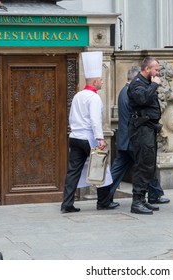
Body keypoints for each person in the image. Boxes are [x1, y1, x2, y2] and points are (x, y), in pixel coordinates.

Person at [97, 66, 170, 209]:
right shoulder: (131, 92)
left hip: (127, 137)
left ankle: (105, 198)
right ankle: (151, 195)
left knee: (131, 168)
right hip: (132, 137)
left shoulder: (124, 91)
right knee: (144, 166)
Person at [61, 51, 111, 213]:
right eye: (101, 79)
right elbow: (95, 120)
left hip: (75, 136)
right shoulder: (94, 98)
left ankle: (67, 203)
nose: (102, 82)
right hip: (88, 137)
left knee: (73, 172)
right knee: (100, 166)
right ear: (95, 81)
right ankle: (103, 202)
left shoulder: (78, 95)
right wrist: (100, 138)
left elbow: (71, 116)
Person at [127, 57, 163, 215]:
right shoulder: (137, 84)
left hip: (149, 128)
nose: (158, 73)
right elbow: (142, 99)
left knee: (149, 164)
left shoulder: (147, 83)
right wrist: (155, 84)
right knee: (143, 164)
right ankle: (136, 201)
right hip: (141, 129)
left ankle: (143, 199)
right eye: (156, 69)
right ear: (147, 69)